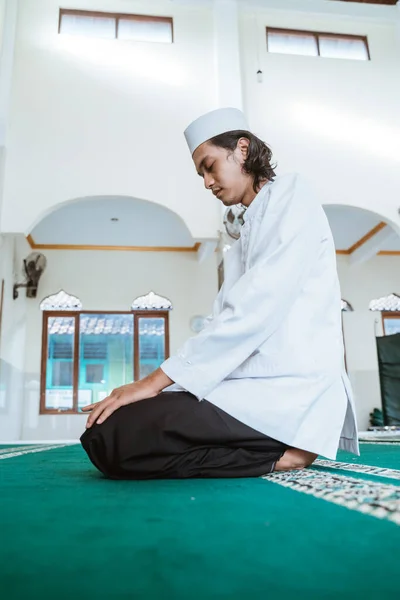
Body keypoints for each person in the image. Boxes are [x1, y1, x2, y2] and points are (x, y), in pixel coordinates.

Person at [80, 107, 359, 480]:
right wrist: (168, 387)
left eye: (209, 166)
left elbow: (255, 310)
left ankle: (282, 455)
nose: (207, 182)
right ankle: (267, 451)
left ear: (242, 149)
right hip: (246, 387)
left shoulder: (292, 196)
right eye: (201, 174)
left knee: (113, 437)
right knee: (104, 434)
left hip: (289, 390)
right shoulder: (244, 233)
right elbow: (223, 319)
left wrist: (151, 383)